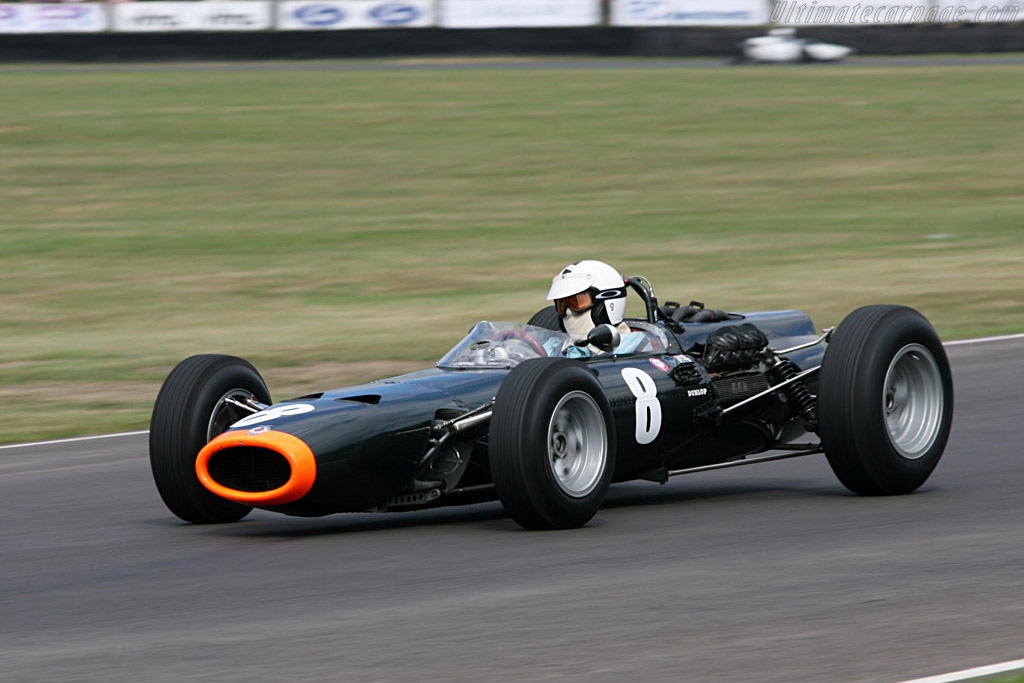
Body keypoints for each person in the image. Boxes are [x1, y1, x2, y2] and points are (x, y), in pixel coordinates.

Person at [546, 260, 632, 356]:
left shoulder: (635, 347)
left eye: (577, 303)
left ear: (608, 305)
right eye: (562, 305)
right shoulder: (554, 347)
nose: (568, 312)